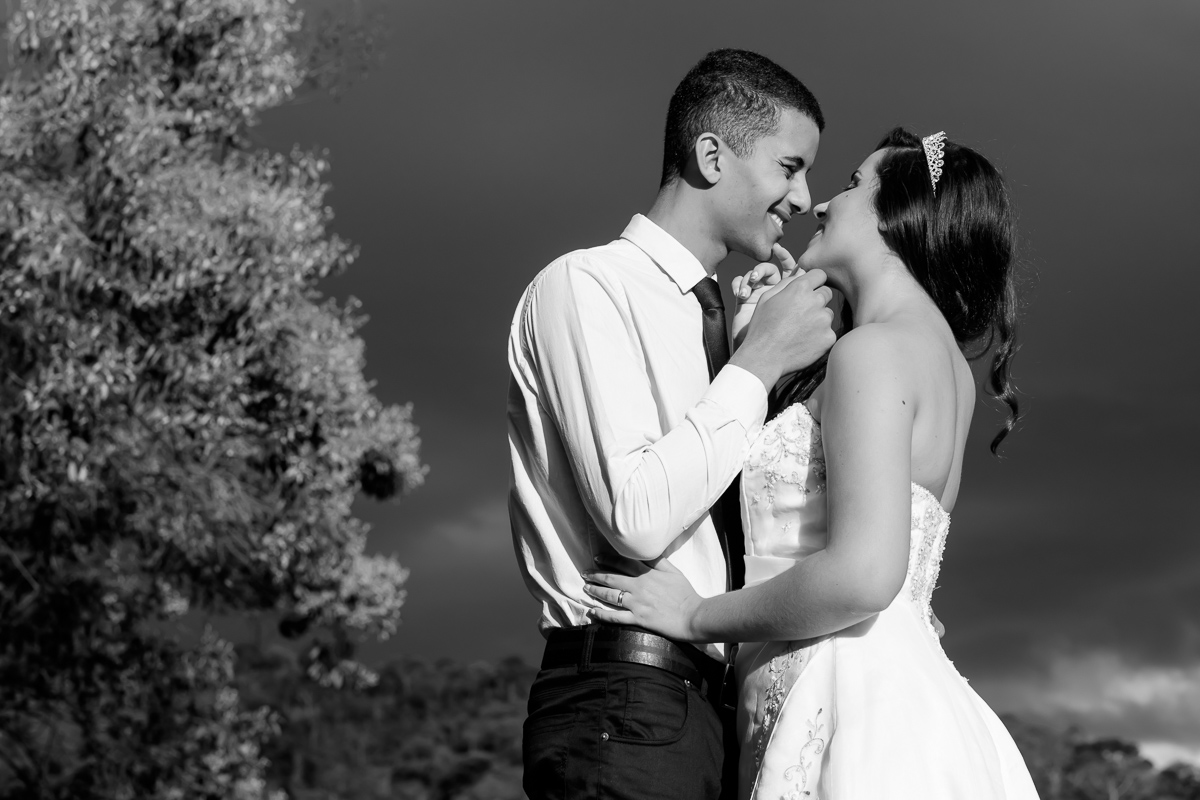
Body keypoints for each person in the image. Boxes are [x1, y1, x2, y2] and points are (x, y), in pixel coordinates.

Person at [582, 128, 1041, 799]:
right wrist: (763, 336)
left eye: (854, 184)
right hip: (895, 695)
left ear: (898, 214)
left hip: (850, 707)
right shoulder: (940, 365)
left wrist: (695, 616)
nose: (822, 204)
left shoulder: (876, 354)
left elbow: (864, 575)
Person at [507, 49, 837, 800]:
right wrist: (758, 364)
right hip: (624, 704)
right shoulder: (586, 287)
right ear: (712, 154)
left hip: (715, 712)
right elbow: (638, 515)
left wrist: (764, 363)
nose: (803, 197)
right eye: (790, 167)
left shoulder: (721, 324)